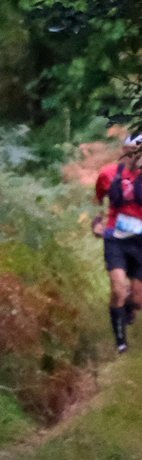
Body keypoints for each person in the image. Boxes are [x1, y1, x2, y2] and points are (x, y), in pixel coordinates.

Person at [92, 132, 142, 354]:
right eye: (131, 152)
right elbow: (97, 200)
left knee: (138, 300)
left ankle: (130, 305)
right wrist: (96, 222)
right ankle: (121, 343)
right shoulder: (108, 174)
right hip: (116, 238)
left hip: (140, 241)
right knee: (117, 290)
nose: (135, 157)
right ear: (124, 152)